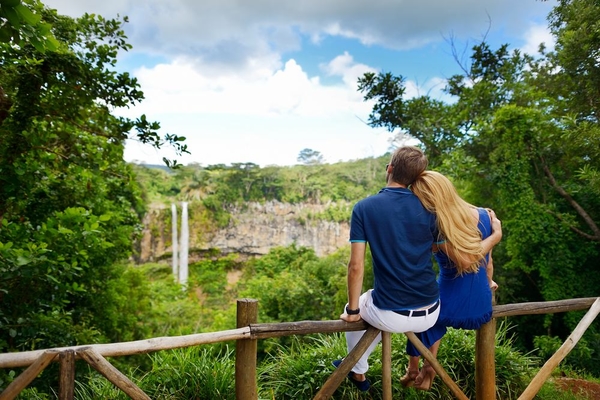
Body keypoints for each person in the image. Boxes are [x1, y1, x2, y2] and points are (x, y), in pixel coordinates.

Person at [333, 146, 441, 392]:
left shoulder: (365, 208)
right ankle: (356, 364)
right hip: (432, 310)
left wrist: (352, 311)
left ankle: (357, 371)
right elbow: (435, 248)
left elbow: (355, 267)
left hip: (394, 314)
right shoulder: (430, 208)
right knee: (378, 308)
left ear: (390, 169)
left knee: (359, 306)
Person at [399, 170, 502, 391]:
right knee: (433, 312)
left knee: (422, 314)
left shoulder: (438, 226)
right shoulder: (484, 215)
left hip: (451, 306)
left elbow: (465, 261)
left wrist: (496, 237)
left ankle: (414, 368)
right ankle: (430, 368)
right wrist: (489, 281)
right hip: (482, 306)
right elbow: (488, 262)